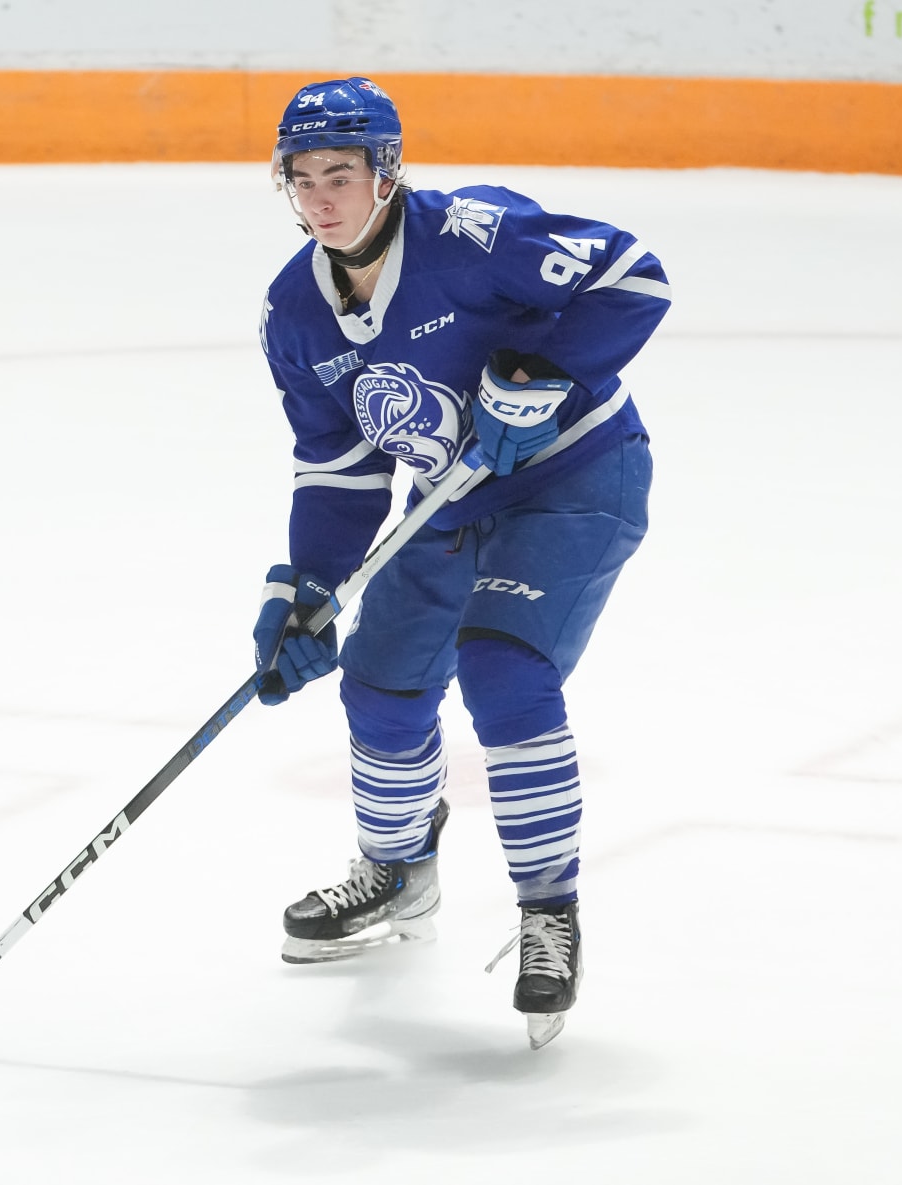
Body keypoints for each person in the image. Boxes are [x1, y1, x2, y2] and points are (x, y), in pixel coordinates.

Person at [251, 77, 668, 1049]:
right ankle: (396, 871)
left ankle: (547, 914)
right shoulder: (294, 311)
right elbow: (340, 466)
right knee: (380, 684)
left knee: (500, 666)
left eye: (341, 176)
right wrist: (303, 585)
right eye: (302, 179)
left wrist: (552, 374)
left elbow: (636, 277)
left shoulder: (473, 236)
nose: (320, 198)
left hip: (576, 477)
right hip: (451, 495)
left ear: (388, 174)